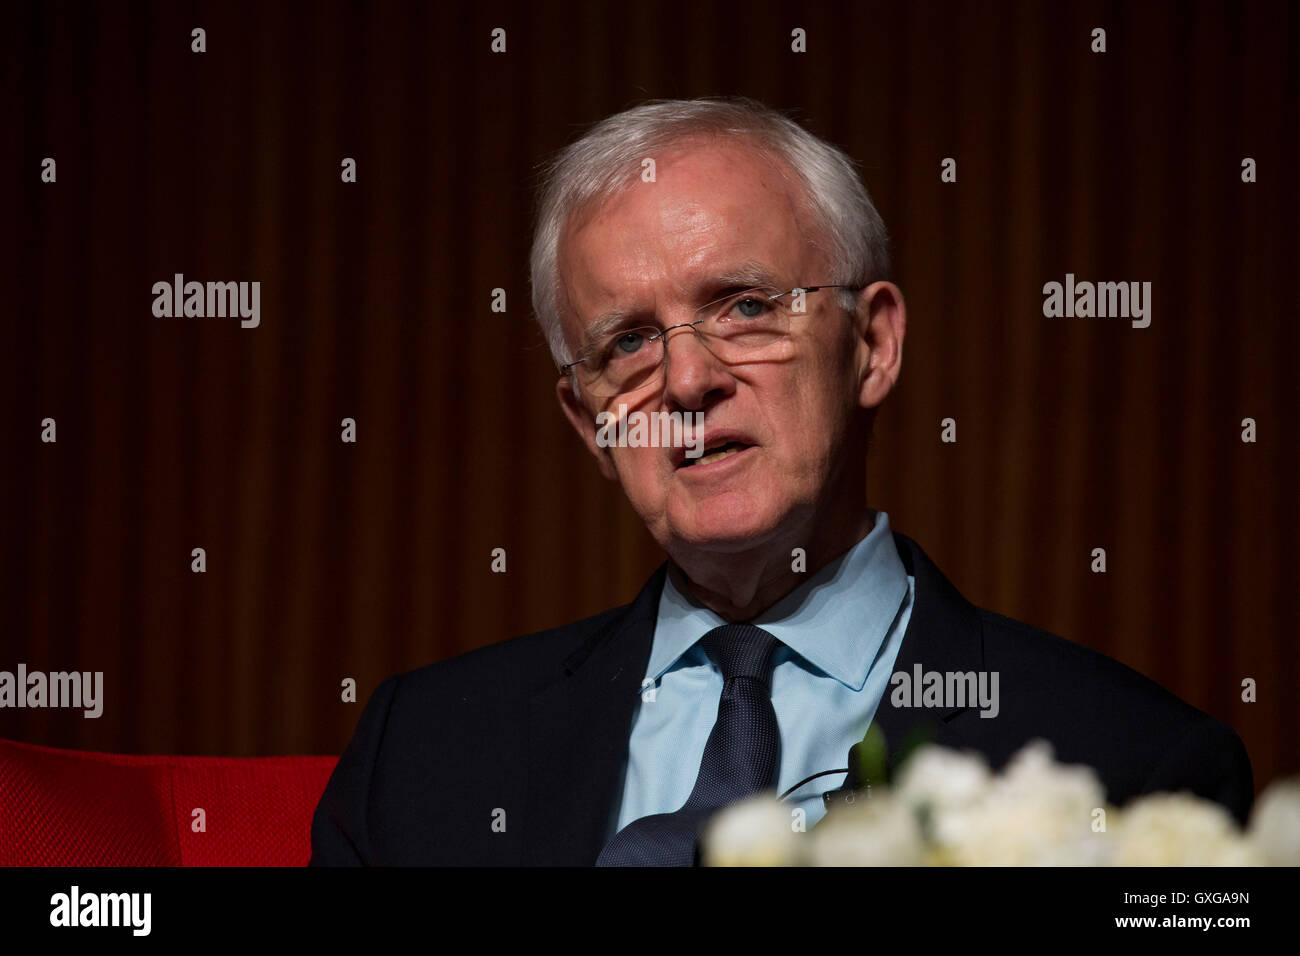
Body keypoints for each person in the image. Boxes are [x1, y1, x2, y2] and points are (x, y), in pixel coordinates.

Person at [310, 97, 1252, 866]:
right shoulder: (422, 754)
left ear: (873, 346)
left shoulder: (1134, 770)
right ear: (591, 421)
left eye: (746, 306)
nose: (686, 380)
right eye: (628, 342)